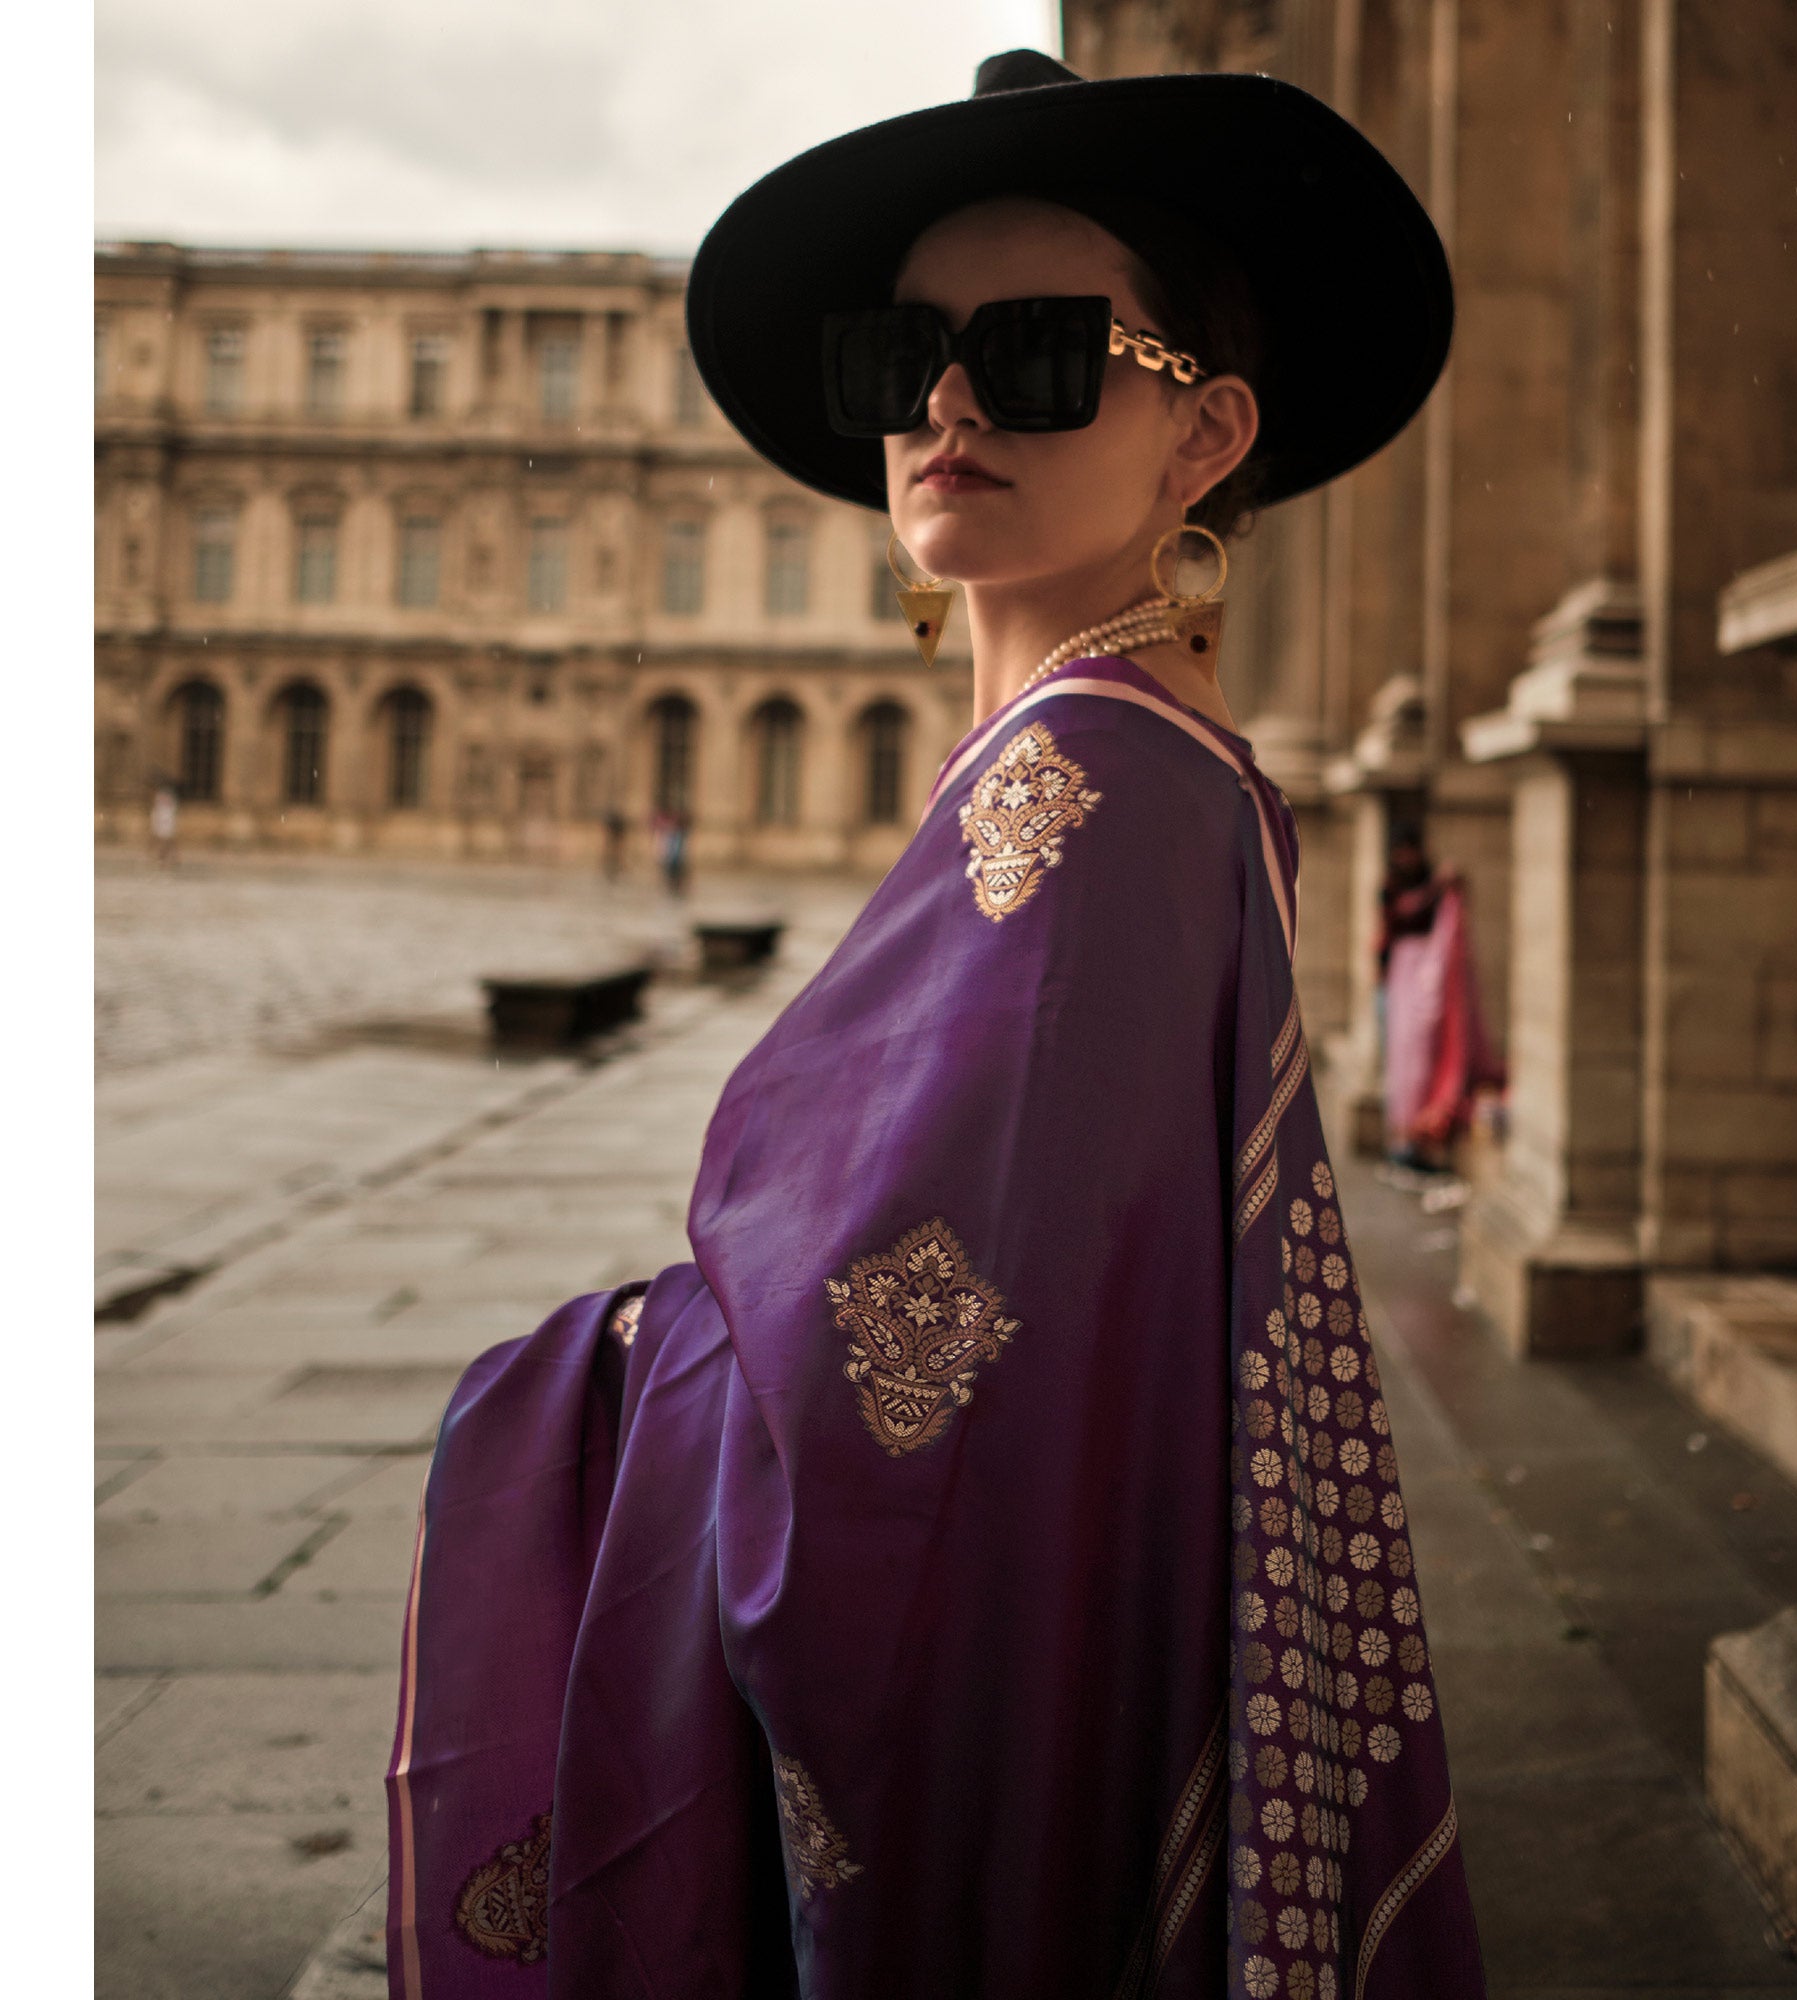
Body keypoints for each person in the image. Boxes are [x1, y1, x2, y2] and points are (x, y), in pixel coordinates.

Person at [387, 50, 1486, 2000]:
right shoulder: (1102, 761)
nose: (953, 403)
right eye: (904, 359)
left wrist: (602, 1371)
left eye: (1041, 353)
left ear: (1204, 436)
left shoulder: (1099, 781)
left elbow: (910, 1349)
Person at [1377, 828, 1500, 1175]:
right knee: (1405, 1060)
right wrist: (1436, 889)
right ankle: (1405, 1138)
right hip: (1404, 978)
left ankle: (1420, 1136)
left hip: (1425, 974)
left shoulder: (1428, 885)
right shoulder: (1393, 887)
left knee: (1424, 1057)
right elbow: (1401, 915)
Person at [148, 782, 178, 868]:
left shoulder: (169, 803)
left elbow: (172, 811)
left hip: (167, 821)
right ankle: (162, 858)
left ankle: (167, 857)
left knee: (167, 841)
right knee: (162, 841)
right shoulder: (159, 800)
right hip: (161, 821)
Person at [601, 806, 628, 882]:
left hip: (616, 840)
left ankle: (617, 871)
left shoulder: (617, 827)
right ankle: (611, 872)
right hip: (614, 840)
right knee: (612, 855)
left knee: (616, 855)